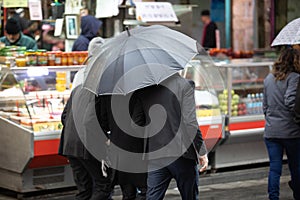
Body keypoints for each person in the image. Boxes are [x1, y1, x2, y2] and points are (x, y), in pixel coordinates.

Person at [131, 73, 208, 200]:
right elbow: (190, 122)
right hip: (181, 153)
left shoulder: (144, 89)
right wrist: (202, 151)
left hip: (155, 154)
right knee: (189, 196)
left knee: (153, 197)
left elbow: (135, 124)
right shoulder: (184, 85)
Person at [263, 47, 300, 200]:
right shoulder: (295, 78)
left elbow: (264, 106)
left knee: (275, 168)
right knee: (296, 167)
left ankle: (273, 197)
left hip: (271, 131)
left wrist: (272, 119)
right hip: (291, 131)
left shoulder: (268, 79)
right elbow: (291, 102)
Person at [95, 94, 147, 200]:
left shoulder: (108, 96)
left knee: (127, 192)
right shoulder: (137, 95)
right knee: (143, 190)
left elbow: (103, 121)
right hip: (136, 149)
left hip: (117, 148)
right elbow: (137, 123)